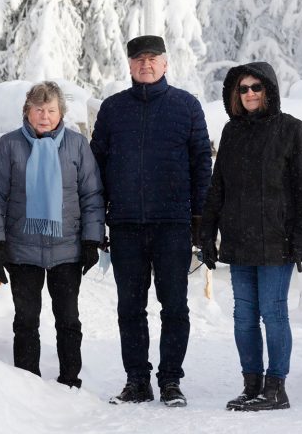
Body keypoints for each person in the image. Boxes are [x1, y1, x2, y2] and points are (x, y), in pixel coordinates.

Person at [90, 35, 212, 407]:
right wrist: (99, 221)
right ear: (129, 65)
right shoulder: (112, 109)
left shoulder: (186, 106)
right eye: (139, 59)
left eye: (153, 58)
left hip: (172, 225)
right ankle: (137, 380)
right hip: (125, 225)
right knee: (130, 307)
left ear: (165, 63)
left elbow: (201, 165)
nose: (146, 64)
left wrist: (200, 223)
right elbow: (96, 168)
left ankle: (171, 380)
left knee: (174, 306)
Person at [199, 62, 302, 411]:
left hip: (276, 240)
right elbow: (217, 188)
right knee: (243, 315)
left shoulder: (293, 131)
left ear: (269, 89)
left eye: (256, 87)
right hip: (239, 240)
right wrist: (207, 235)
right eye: (243, 89)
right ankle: (251, 384)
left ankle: (275, 388)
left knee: (273, 312)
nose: (250, 93)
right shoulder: (232, 132)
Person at [0, 81, 105, 389]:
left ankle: (69, 380)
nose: (45, 116)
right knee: (26, 321)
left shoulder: (77, 145)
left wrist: (92, 240)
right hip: (22, 250)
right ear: (27, 111)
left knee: (68, 320)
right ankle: (28, 382)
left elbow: (91, 195)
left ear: (61, 112)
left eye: (51, 110)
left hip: (67, 249)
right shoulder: (9, 145)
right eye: (38, 109)